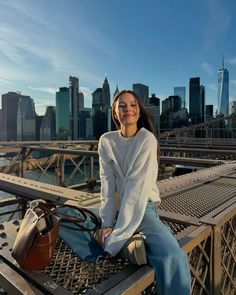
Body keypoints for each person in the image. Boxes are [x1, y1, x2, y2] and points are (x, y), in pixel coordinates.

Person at [93, 90, 191, 295]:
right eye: (122, 105)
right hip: (119, 208)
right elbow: (107, 185)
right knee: (67, 217)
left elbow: (136, 192)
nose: (128, 108)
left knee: (173, 256)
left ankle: (124, 242)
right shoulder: (106, 141)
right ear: (114, 112)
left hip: (143, 207)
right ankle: (128, 243)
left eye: (133, 105)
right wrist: (107, 224)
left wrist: (114, 238)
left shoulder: (147, 139)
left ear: (139, 112)